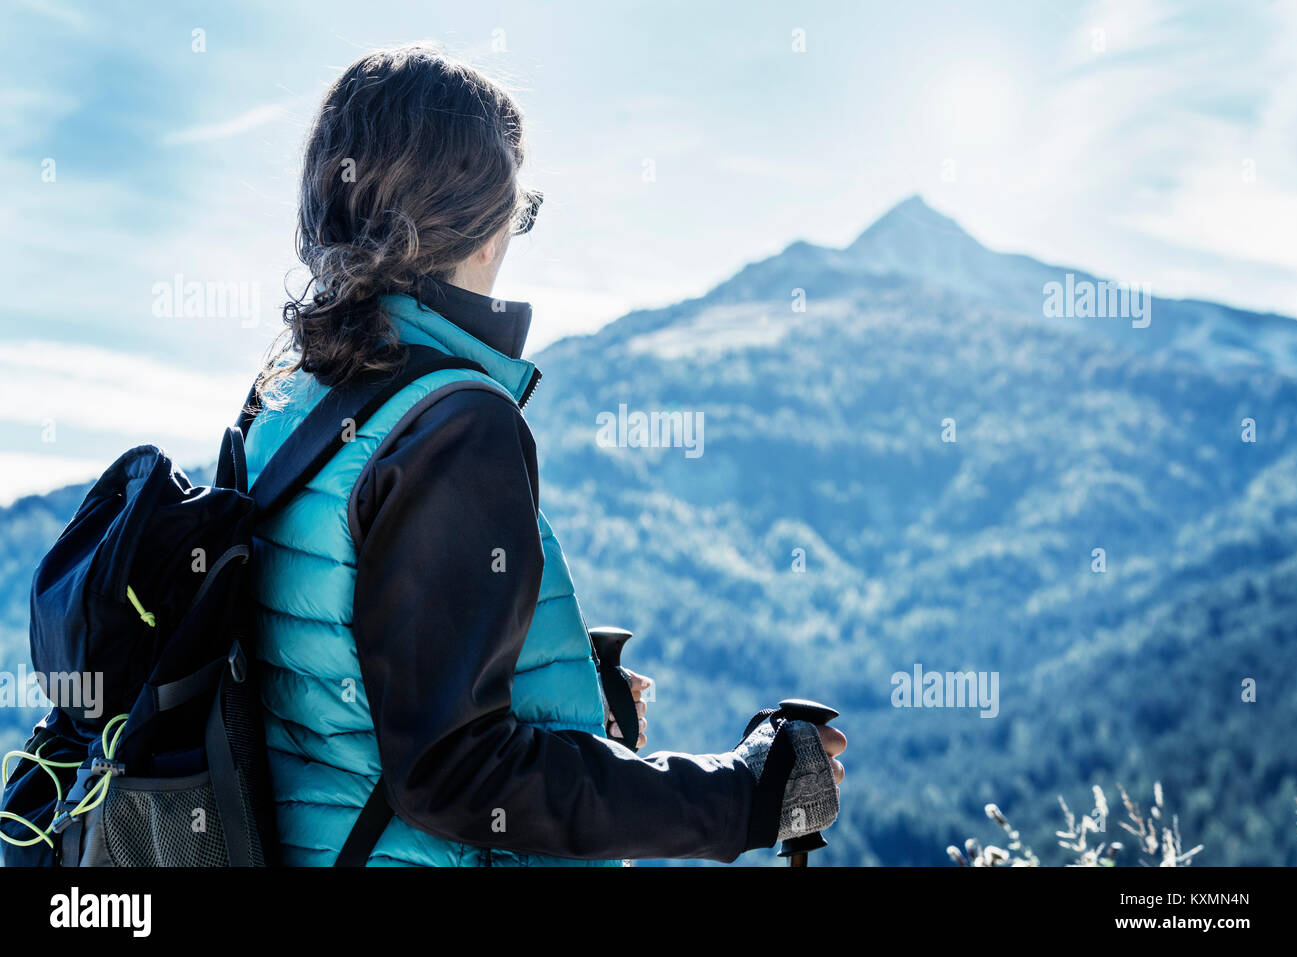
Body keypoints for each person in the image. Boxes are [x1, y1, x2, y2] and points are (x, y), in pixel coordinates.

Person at [242, 44, 847, 866]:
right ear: (484, 228)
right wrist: (744, 793)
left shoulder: (279, 406)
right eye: (517, 210)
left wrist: (552, 688)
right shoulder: (453, 422)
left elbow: (328, 682)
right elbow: (455, 773)